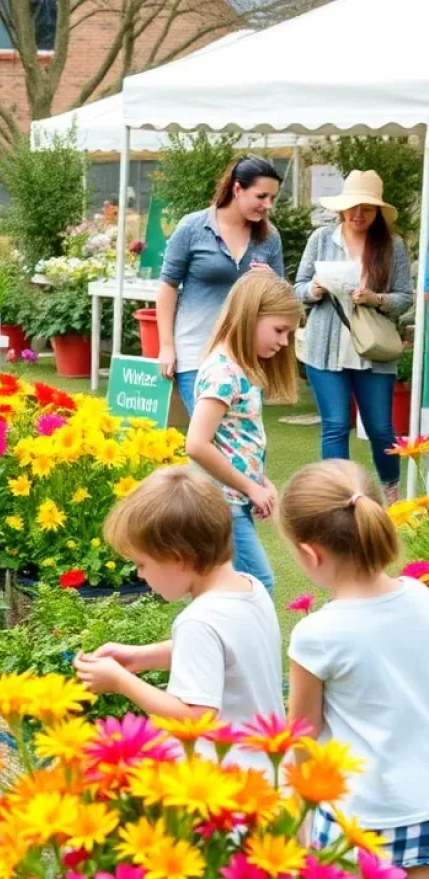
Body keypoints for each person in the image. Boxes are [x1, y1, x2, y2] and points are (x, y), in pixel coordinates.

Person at [73, 465, 284, 772]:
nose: (139, 574)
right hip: (268, 768)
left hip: (225, 783)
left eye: (142, 564)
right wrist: (140, 658)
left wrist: (122, 682)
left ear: (178, 559)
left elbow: (194, 718)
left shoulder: (197, 621)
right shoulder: (251, 589)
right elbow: (224, 652)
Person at [281, 459, 429, 879]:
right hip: (423, 800)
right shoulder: (421, 595)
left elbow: (303, 734)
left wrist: (301, 811)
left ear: (310, 553)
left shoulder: (317, 634)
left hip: (356, 812)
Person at [294, 170, 412, 505]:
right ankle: (336, 496)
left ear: (377, 212)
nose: (358, 214)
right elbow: (297, 287)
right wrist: (313, 290)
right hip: (325, 349)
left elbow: (404, 297)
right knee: (334, 425)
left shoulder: (393, 246)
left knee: (380, 429)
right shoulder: (321, 239)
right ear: (341, 208)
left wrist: (375, 298)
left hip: (373, 350)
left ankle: (391, 490)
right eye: (353, 207)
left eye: (367, 208)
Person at [185, 273, 301, 594]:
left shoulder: (239, 368)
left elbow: (233, 438)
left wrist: (259, 481)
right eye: (279, 330)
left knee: (226, 589)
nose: (284, 342)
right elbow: (196, 444)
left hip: (232, 499)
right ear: (251, 315)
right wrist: (250, 486)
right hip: (222, 503)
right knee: (257, 585)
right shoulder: (223, 372)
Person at [158, 156, 285, 414]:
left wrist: (273, 280)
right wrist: (167, 347)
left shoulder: (269, 237)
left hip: (246, 355)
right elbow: (167, 286)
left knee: (242, 435)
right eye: (261, 196)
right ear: (237, 189)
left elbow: (281, 300)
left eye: (272, 198)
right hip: (196, 352)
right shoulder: (192, 227)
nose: (267, 205)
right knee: (210, 436)